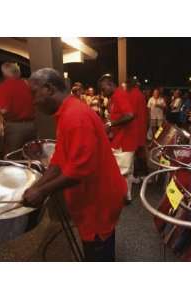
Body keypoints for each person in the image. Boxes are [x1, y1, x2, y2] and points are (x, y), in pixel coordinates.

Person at [22, 68, 126, 261]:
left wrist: (42, 192)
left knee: (98, 254)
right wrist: (37, 185)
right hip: (90, 198)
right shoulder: (66, 112)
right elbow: (59, 159)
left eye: (34, 93)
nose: (33, 101)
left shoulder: (75, 117)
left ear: (48, 89)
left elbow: (80, 171)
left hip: (98, 201)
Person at [98, 74, 137, 204]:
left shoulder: (119, 95)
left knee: (121, 171)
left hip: (125, 140)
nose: (103, 93)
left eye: (104, 89)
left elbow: (130, 115)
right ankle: (126, 196)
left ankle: (122, 197)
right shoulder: (114, 97)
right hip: (121, 138)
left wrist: (111, 124)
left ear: (111, 85)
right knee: (126, 171)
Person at [0, 62, 36, 154]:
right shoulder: (27, 84)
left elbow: (4, 110)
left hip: (14, 128)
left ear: (4, 73)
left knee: (13, 158)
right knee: (31, 156)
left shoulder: (4, 87)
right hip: (31, 126)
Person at [126, 78, 148, 178]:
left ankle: (138, 175)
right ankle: (143, 174)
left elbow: (131, 114)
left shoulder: (133, 95)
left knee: (135, 152)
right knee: (140, 151)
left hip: (135, 128)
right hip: (141, 127)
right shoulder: (140, 94)